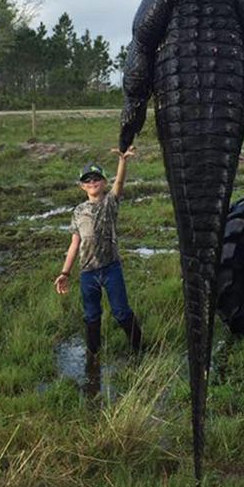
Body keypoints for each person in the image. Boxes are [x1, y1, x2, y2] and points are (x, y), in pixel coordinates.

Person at [54, 147, 143, 358]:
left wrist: (123, 161)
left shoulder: (110, 203)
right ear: (82, 186)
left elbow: (119, 184)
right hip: (87, 272)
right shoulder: (78, 211)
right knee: (92, 316)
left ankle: (139, 349)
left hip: (111, 268)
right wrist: (65, 273)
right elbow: (74, 244)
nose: (92, 183)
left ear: (103, 182)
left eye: (96, 179)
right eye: (88, 180)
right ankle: (93, 355)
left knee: (121, 312)